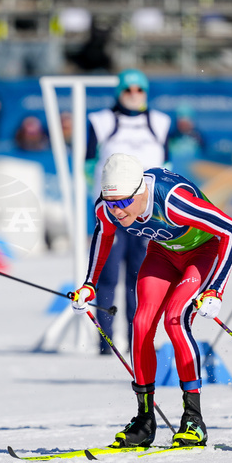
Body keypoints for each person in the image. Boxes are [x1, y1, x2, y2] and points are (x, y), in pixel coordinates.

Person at [71, 153, 232, 448]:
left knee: (175, 320)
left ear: (140, 192)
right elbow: (104, 235)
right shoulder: (108, 207)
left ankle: (193, 419)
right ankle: (144, 420)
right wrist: (89, 285)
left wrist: (215, 289)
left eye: (124, 202)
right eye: (112, 204)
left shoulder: (173, 202)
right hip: (162, 254)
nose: (118, 211)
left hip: (200, 253)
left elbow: (231, 230)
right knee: (140, 323)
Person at [85, 69, 171, 354]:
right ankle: (106, 342)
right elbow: (87, 165)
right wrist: (101, 204)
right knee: (108, 277)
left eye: (140, 89)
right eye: (128, 90)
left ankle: (140, 340)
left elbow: (167, 166)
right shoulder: (101, 121)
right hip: (113, 213)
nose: (134, 94)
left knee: (141, 279)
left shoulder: (159, 122)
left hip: (147, 215)